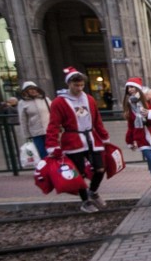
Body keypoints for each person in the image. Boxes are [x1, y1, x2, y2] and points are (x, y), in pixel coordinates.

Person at [45, 67, 111, 213]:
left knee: (100, 168)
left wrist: (104, 136)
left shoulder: (89, 99)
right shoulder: (59, 102)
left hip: (91, 138)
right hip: (72, 141)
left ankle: (92, 192)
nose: (79, 88)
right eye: (76, 85)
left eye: (81, 85)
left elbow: (97, 120)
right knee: (78, 173)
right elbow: (53, 125)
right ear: (69, 84)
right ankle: (85, 201)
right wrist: (52, 145)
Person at [17, 81, 51, 158]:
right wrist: (26, 135)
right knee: (42, 154)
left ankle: (54, 168)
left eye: (34, 89)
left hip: (49, 130)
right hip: (35, 132)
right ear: (26, 91)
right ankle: (45, 168)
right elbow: (23, 120)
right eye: (30, 89)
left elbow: (53, 113)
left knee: (52, 151)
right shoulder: (22, 103)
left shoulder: (45, 99)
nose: (33, 91)